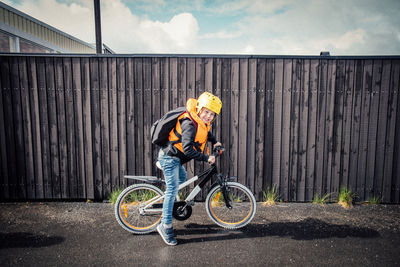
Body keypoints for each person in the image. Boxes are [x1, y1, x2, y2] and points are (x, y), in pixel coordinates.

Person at [157, 92, 222, 246]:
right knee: (172, 190)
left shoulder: (199, 121)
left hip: (175, 159)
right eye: (206, 112)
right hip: (170, 158)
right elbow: (188, 150)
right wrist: (207, 158)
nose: (208, 116)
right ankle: (164, 226)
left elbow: (206, 132)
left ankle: (172, 200)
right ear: (199, 108)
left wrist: (215, 141)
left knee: (182, 177)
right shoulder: (189, 124)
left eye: (212, 114)